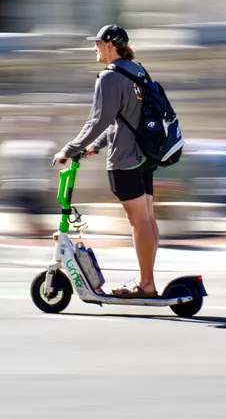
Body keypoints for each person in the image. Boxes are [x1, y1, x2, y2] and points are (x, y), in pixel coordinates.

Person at [53, 24, 159, 298]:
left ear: (110, 45)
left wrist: (70, 148)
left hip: (125, 160)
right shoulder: (138, 72)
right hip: (145, 156)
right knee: (147, 219)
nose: (95, 48)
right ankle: (146, 280)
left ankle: (146, 285)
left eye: (98, 44)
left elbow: (98, 120)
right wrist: (95, 146)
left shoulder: (110, 78)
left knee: (139, 222)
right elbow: (123, 119)